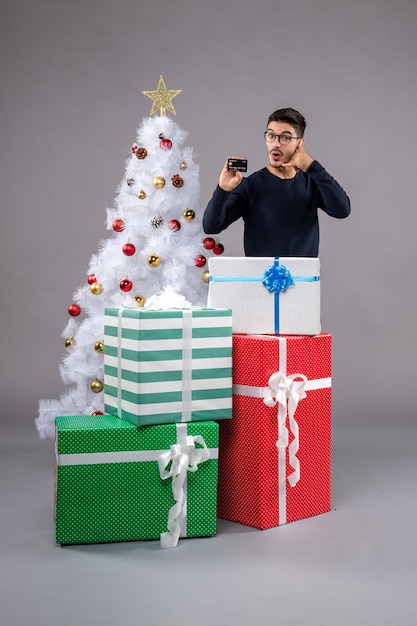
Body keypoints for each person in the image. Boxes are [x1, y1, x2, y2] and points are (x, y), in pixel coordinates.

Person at [203, 107, 351, 257]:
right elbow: (211, 227)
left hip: (303, 279)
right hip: (261, 279)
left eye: (285, 138)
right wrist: (222, 190)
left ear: (299, 143)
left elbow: (342, 210)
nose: (276, 144)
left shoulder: (311, 183)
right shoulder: (251, 186)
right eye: (271, 135)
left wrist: (313, 167)